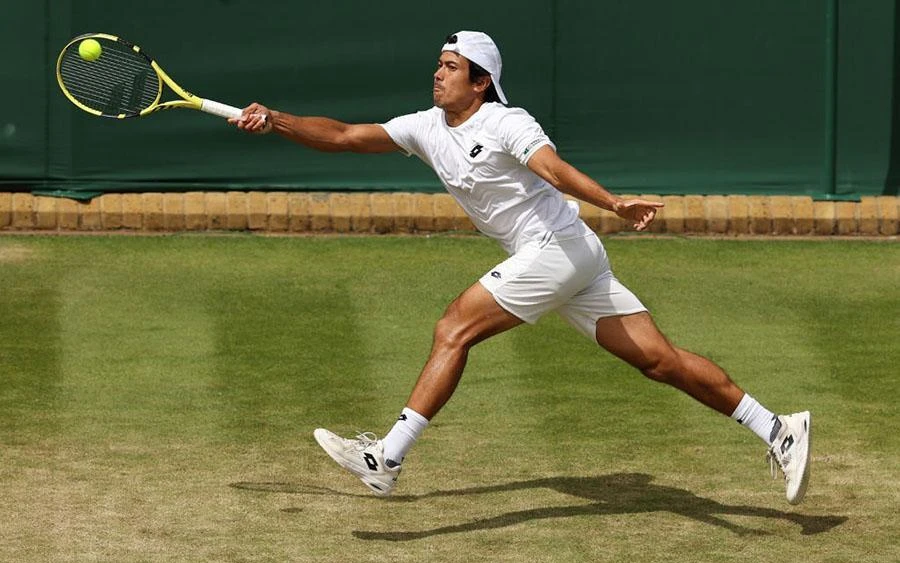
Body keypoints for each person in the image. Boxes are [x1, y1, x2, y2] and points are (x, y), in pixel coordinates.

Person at [230, 31, 811, 505]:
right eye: (438, 63)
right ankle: (778, 427)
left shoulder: (508, 122)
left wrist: (612, 202)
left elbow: (553, 170)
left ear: (481, 82)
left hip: (557, 248)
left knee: (454, 328)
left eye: (451, 66)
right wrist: (275, 119)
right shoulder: (426, 127)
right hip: (568, 260)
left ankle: (386, 458)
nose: (437, 73)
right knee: (662, 362)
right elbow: (345, 136)